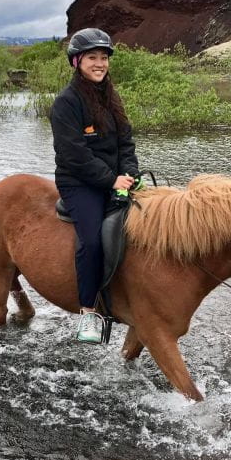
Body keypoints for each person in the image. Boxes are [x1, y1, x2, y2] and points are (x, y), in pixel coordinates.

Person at [50, 28, 141, 343]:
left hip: (115, 180)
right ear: (77, 62)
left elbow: (126, 142)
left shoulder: (112, 97)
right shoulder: (66, 103)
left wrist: (130, 173)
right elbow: (73, 154)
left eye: (104, 57)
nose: (100, 63)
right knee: (91, 240)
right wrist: (111, 179)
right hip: (79, 183)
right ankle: (88, 311)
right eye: (92, 57)